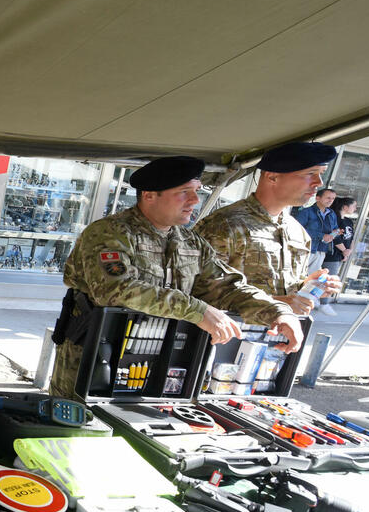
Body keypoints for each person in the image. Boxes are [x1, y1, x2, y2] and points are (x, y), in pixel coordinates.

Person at [49, 156, 302, 400]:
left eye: (197, 191)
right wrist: (197, 310)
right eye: (184, 192)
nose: (194, 200)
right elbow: (117, 290)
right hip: (94, 357)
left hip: (158, 362)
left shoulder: (191, 242)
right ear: (149, 195)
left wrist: (278, 312)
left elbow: (227, 287)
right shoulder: (110, 233)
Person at [194, 141, 342, 316]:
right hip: (225, 338)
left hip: (277, 337)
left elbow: (287, 289)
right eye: (310, 173)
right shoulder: (224, 225)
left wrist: (308, 286)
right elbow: (197, 293)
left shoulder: (297, 232)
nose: (319, 182)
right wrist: (272, 303)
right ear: (273, 177)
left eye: (321, 174)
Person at [319, 196, 357, 312]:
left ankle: (321, 301)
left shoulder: (349, 221)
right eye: (354, 206)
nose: (355, 209)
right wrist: (343, 250)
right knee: (328, 279)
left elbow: (351, 238)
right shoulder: (335, 219)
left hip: (341, 255)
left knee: (330, 279)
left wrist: (348, 251)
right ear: (345, 207)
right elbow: (334, 237)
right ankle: (323, 304)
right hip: (333, 254)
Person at [293, 188, 339, 276]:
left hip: (321, 250)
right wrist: (321, 236)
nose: (331, 200)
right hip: (306, 249)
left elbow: (335, 229)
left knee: (311, 279)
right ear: (317, 198)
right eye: (328, 198)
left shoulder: (332, 214)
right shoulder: (306, 211)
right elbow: (297, 230)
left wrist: (335, 233)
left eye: (333, 199)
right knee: (297, 275)